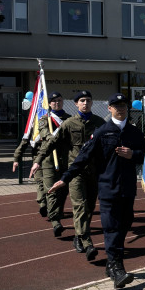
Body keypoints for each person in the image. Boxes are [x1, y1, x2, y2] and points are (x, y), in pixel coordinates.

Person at [48, 93, 145, 288]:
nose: (121, 109)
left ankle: (112, 263)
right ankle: (117, 268)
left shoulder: (135, 133)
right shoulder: (102, 132)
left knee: (125, 224)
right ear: (109, 108)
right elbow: (82, 158)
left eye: (123, 105)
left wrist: (132, 154)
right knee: (111, 227)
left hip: (127, 189)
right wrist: (65, 179)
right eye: (116, 106)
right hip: (108, 189)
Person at [30, 90, 104, 260]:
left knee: (90, 207)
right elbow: (50, 143)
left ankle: (79, 235)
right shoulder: (69, 124)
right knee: (79, 204)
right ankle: (86, 241)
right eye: (82, 100)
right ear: (76, 104)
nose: (85, 103)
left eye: (88, 100)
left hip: (93, 171)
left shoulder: (99, 123)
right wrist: (38, 161)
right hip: (75, 172)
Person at [35, 92, 71, 237]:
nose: (57, 103)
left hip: (67, 159)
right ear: (49, 104)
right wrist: (55, 138)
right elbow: (44, 134)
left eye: (59, 100)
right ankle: (55, 221)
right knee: (51, 190)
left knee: (64, 189)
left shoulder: (69, 119)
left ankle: (58, 212)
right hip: (50, 159)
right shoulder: (45, 119)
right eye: (54, 101)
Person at [12, 134, 47, 217]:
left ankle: (54, 208)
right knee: (39, 181)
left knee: (51, 182)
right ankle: (43, 204)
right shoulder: (33, 125)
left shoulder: (56, 122)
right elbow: (24, 141)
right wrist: (16, 158)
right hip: (37, 156)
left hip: (52, 158)